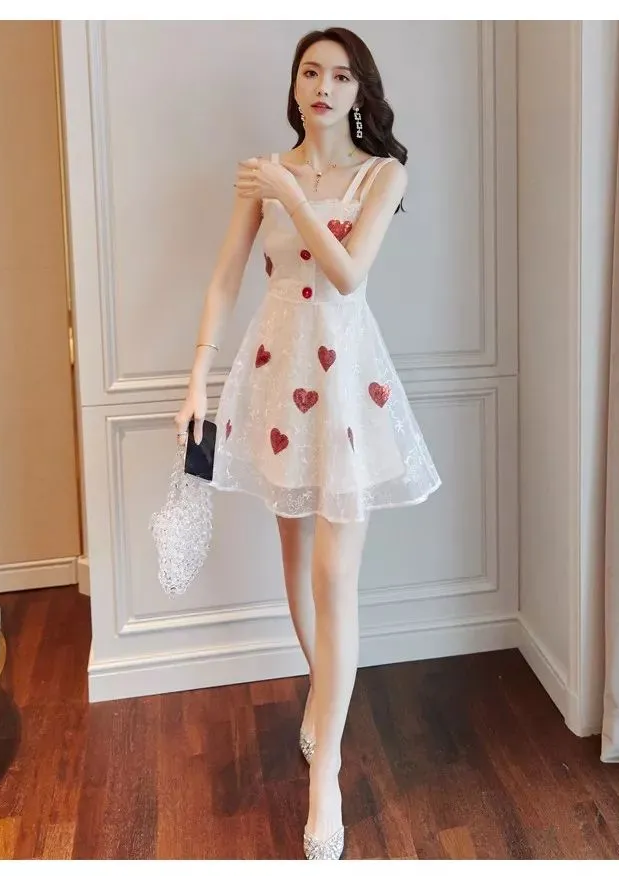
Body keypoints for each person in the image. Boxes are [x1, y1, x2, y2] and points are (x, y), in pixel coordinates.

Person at [175, 26, 441, 860]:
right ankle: (323, 704)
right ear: (294, 86)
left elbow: (349, 274)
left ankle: (325, 773)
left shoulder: (382, 174)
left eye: (342, 75)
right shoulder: (265, 172)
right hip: (275, 370)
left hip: (345, 378)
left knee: (336, 576)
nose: (325, 86)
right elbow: (226, 276)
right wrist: (196, 377)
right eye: (311, 72)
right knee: (294, 561)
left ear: (361, 91)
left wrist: (291, 197)